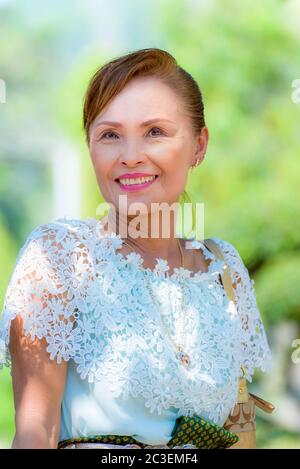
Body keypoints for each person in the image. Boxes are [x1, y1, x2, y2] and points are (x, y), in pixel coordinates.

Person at [0, 48, 272, 449]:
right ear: (90, 146)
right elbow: (35, 431)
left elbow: (238, 432)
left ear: (199, 145)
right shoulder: (59, 257)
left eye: (155, 132)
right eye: (110, 135)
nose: (130, 157)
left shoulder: (224, 270)